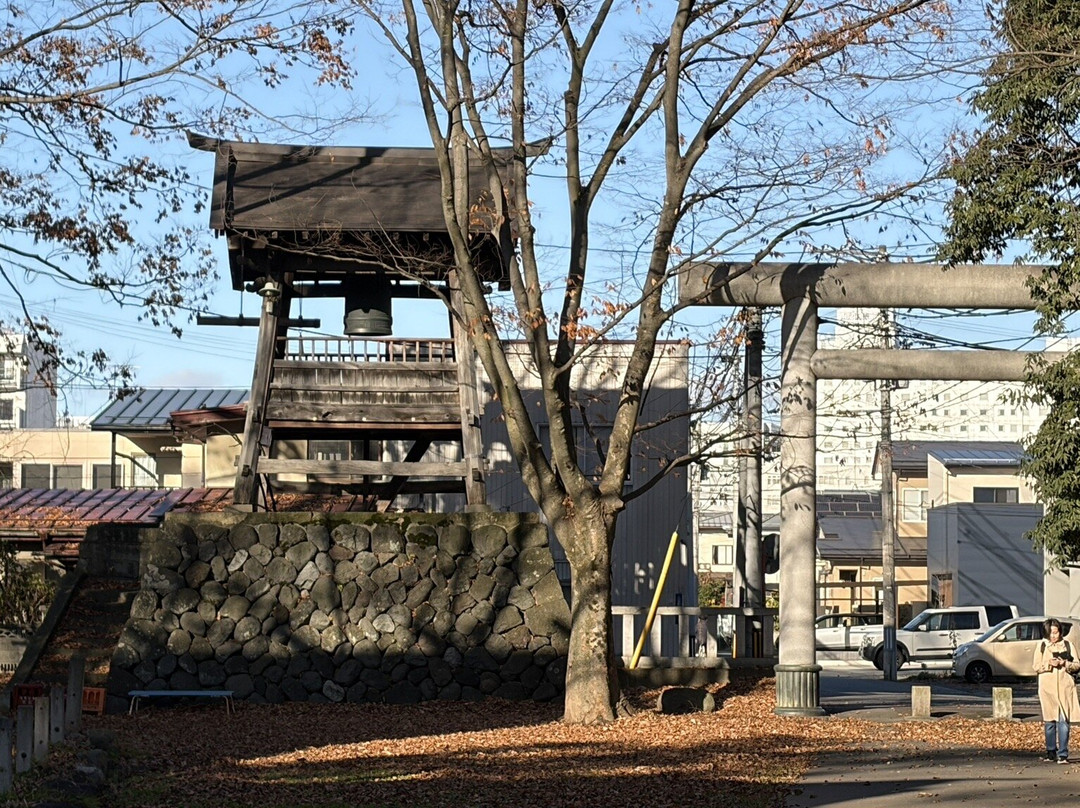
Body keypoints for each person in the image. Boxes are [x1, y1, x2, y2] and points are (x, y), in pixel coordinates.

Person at [1033, 617, 1080, 763]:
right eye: (1051, 633)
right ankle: (1050, 751)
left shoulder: (1068, 644)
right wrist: (1048, 664)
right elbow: (1036, 666)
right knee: (1049, 721)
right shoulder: (1042, 645)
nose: (1054, 635)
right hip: (1047, 688)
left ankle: (1063, 753)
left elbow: (1076, 664)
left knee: (1064, 720)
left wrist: (1064, 663)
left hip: (1065, 687)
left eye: (1056, 632)